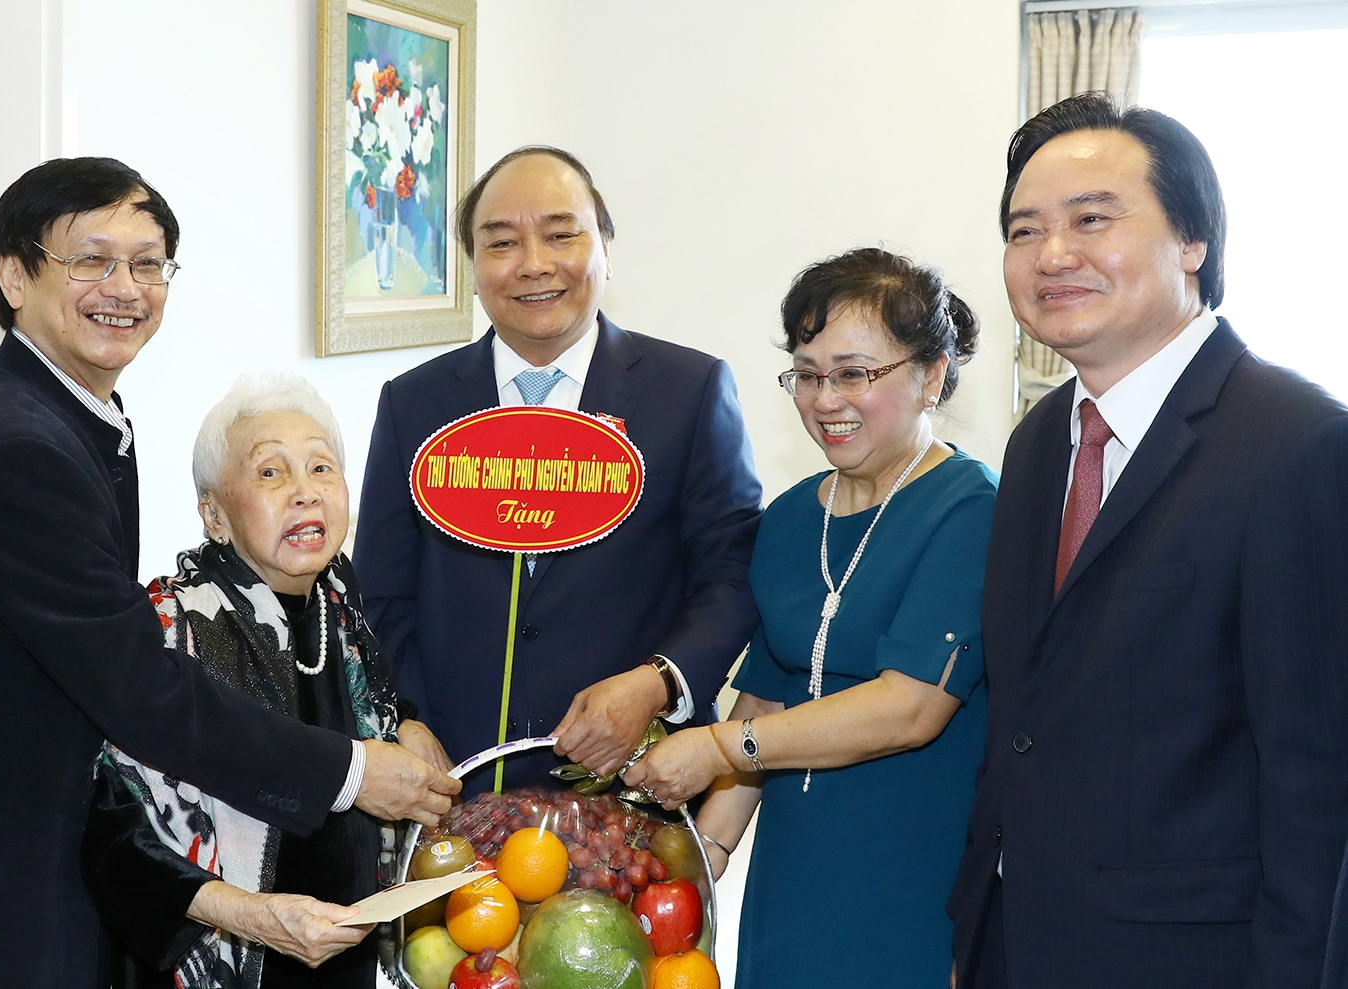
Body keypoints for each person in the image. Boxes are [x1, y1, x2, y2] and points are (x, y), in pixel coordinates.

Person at [0, 158, 458, 989]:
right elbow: (141, 687)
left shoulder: (73, 418)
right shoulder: (14, 450)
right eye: (91, 260)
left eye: (146, 263)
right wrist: (349, 770)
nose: (123, 287)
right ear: (14, 275)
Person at [947, 93, 1348, 989]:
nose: (1052, 255)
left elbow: (1317, 785)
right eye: (1023, 230)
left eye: (1092, 219)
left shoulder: (1296, 443)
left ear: (1194, 240)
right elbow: (1023, 722)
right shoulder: (1038, 439)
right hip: (1016, 945)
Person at [625, 248, 995, 988]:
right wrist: (703, 861)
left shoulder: (972, 509)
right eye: (808, 373)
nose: (827, 399)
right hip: (792, 880)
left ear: (930, 375)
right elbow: (767, 692)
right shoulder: (792, 518)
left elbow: (909, 706)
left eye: (855, 373)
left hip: (912, 877)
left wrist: (720, 746)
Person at [354, 146, 762, 793]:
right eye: (502, 242)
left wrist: (656, 681)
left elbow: (732, 576)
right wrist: (403, 716)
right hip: (455, 785)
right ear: (473, 266)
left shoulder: (690, 390)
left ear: (606, 247)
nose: (534, 264)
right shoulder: (413, 404)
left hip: (634, 782)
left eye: (560, 234)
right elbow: (381, 594)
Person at [84, 373, 451, 989]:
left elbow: (370, 707)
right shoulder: (172, 629)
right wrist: (250, 916)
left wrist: (406, 724)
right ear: (214, 515)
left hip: (347, 956)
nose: (306, 494)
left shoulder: (338, 597)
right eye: (271, 473)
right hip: (229, 958)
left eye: (322, 468)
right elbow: (110, 836)